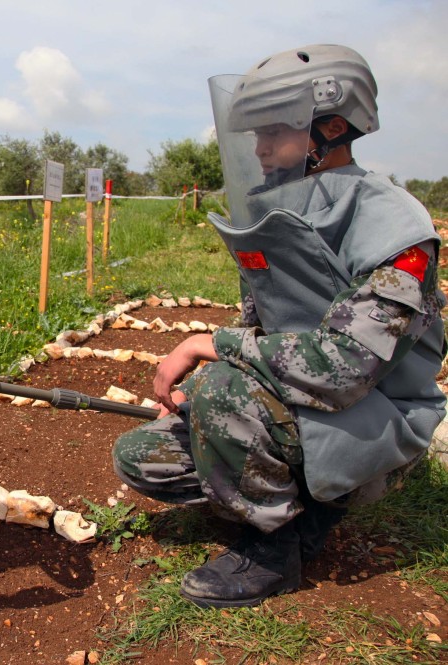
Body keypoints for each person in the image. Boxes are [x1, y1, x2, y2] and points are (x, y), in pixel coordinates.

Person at [112, 44, 446, 609]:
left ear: (331, 127)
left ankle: (274, 548)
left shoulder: (393, 226)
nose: (259, 149)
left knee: (223, 389)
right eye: (254, 134)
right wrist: (209, 400)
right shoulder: (283, 207)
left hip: (377, 417)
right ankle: (297, 502)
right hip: (306, 404)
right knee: (142, 455)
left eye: (272, 131)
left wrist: (208, 348)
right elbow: (265, 330)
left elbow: (347, 366)